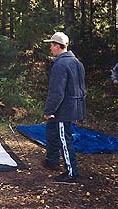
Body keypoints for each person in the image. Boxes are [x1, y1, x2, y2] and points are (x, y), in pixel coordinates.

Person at [42, 32, 86, 184]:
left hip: (63, 108)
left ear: (57, 46)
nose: (50, 48)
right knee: (52, 132)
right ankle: (52, 161)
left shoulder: (60, 64)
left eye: (51, 45)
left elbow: (57, 92)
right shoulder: (76, 62)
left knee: (64, 140)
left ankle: (72, 173)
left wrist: (49, 111)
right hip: (72, 106)